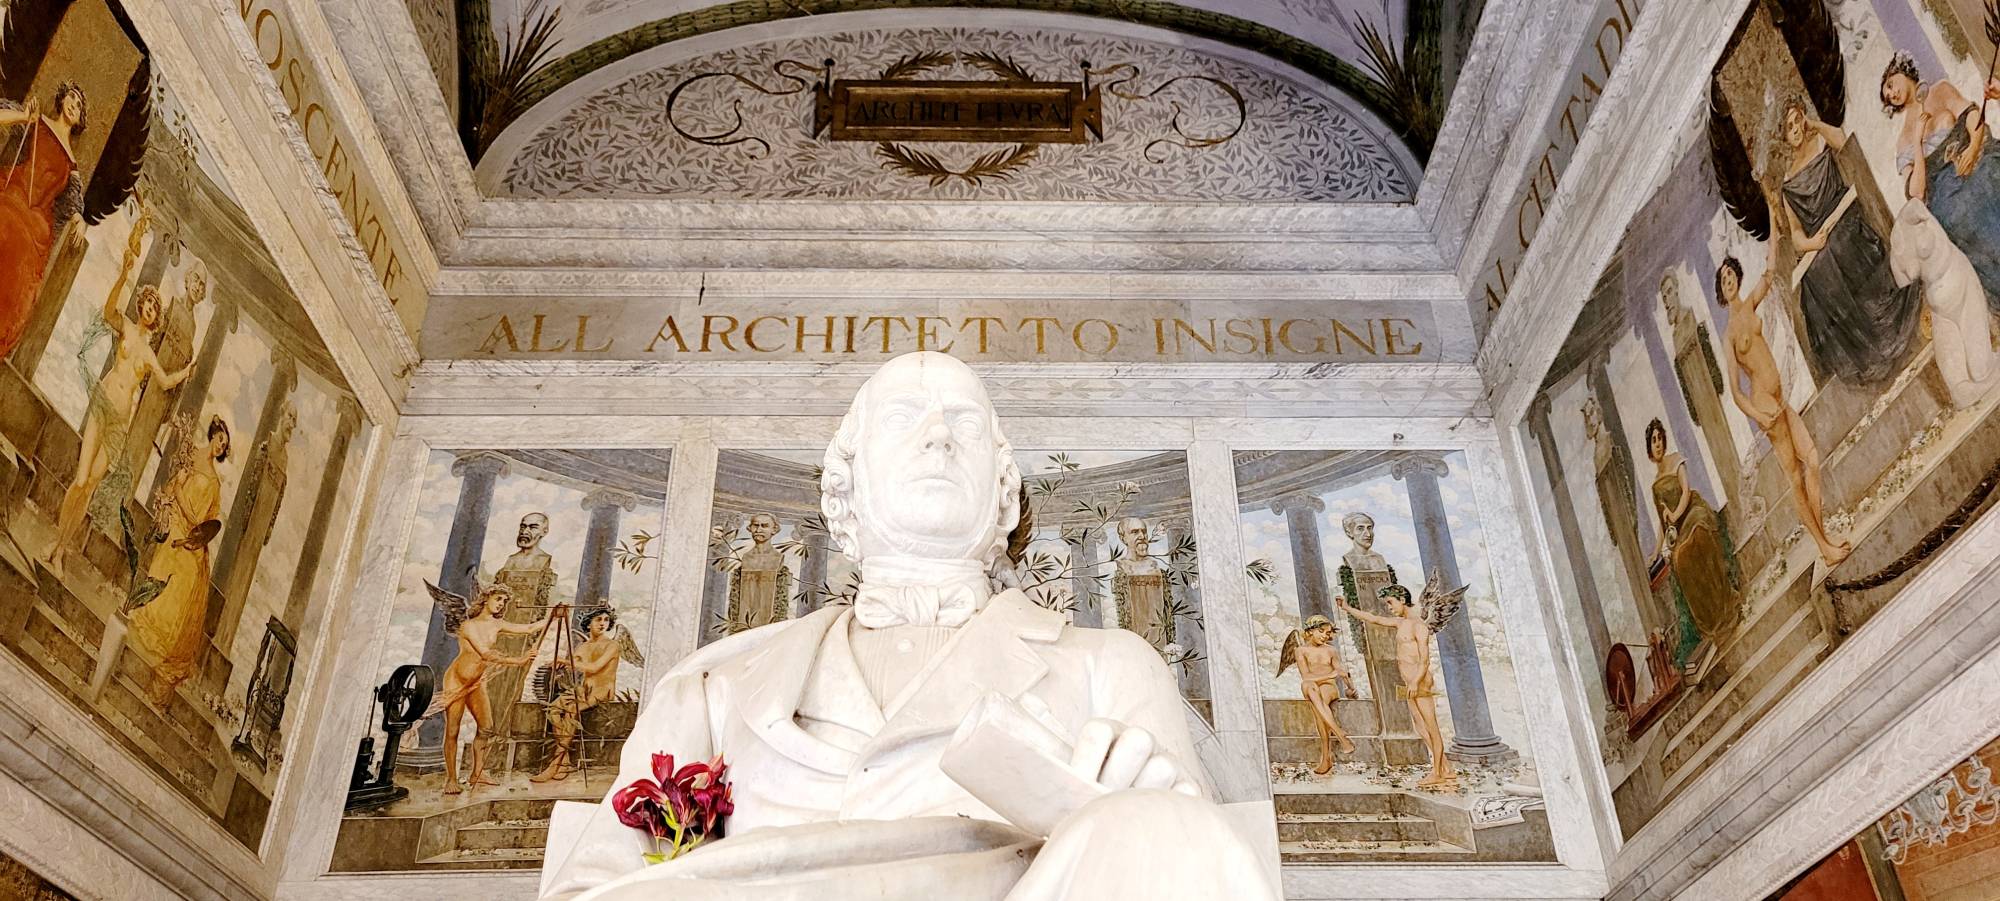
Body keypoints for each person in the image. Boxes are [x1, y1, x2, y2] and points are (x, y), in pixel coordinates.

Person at [542, 352, 1277, 901]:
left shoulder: (1108, 664)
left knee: (1163, 828)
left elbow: (1193, 867)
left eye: (964, 422)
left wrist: (1129, 816)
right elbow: (591, 890)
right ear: (845, 485)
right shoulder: (718, 685)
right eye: (903, 419)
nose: (937, 438)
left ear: (1004, 488)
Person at [43, 212, 195, 576]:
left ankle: (61, 550)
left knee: (91, 488)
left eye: (154, 308)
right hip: (102, 406)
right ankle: (55, 540)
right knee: (80, 480)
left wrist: (187, 371)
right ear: (141, 306)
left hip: (119, 425)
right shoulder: (125, 327)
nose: (149, 310)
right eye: (147, 304)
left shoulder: (150, 355)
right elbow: (109, 309)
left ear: (156, 317)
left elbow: (165, 382)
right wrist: (124, 274)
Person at [1770, 100, 1920, 386]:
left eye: (1798, 120)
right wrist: (1812, 243)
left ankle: (1884, 334)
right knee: (1816, 274)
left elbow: (1842, 141)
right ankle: (1864, 354)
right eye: (1789, 127)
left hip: (1846, 218)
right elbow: (1796, 236)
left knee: (1840, 247)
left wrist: (1815, 125)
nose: (1796, 129)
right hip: (1820, 241)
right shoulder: (1788, 183)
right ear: (1784, 136)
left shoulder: (1820, 144)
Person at [1719, 250, 1851, 566]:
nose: (1728, 281)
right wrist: (1758, 415)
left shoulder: (1750, 305)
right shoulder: (1729, 336)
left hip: (1781, 398)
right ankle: (1824, 547)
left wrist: (1771, 224)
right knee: (1795, 478)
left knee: (1813, 459)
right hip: (1766, 405)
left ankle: (1825, 541)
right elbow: (1736, 392)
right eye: (1722, 280)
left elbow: (1769, 271)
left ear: (1737, 276)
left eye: (1730, 274)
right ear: (1721, 292)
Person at [1881, 52, 2000, 309]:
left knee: (1991, 177)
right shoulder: (1903, 140)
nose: (1892, 94)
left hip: (1976, 159)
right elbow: (1916, 193)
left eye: (1890, 85)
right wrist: (1917, 142)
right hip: (1946, 193)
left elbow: (1973, 116)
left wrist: (1973, 148)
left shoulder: (1941, 90)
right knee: (1956, 215)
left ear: (1899, 71)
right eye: (1888, 97)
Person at [423, 582, 566, 795]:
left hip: (477, 682)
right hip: (456, 680)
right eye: (498, 599)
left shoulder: (497, 624)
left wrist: (553, 616)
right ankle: (451, 779)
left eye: (504, 601)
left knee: (486, 727)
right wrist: (519, 660)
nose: (501, 604)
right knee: (452, 730)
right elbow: (485, 653)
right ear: (486, 599)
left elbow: (528, 629)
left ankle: (477, 773)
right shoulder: (468, 626)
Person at [125, 415, 228, 706]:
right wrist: (188, 516)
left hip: (192, 538)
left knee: (192, 579)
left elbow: (209, 521)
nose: (221, 446)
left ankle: (167, 647)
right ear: (213, 435)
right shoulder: (191, 456)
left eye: (224, 446)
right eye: (220, 439)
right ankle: (149, 633)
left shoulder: (216, 484)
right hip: (177, 528)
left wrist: (199, 533)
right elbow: (177, 489)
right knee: (174, 575)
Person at [1642, 419, 1740, 672]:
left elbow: (1685, 492)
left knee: (1698, 534)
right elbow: (1662, 521)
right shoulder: (1655, 486)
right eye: (1653, 441)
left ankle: (1726, 602)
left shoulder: (1676, 460)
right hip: (1678, 527)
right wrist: (1656, 551)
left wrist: (1676, 515)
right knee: (1679, 559)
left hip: (1693, 511)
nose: (1658, 444)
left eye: (1660, 438)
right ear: (1649, 448)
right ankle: (1711, 619)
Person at [0, 82, 87, 361]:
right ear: (62, 100)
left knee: (23, 258)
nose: (73, 105)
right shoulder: (38, 122)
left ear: (79, 119)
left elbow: (74, 205)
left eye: (79, 106)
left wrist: (80, 219)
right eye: (71, 98)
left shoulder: (72, 165)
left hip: (37, 219)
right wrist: (24, 116)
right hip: (15, 191)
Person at [1338, 585, 1456, 789]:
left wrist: (1415, 681)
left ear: (1402, 599)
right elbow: (1374, 619)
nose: (1389, 608)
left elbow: (1425, 660)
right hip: (1409, 682)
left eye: (1391, 603)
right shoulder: (1401, 623)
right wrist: (1347, 608)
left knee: (1431, 727)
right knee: (1420, 726)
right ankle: (1445, 768)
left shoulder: (1419, 626)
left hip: (1419, 681)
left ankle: (1437, 773)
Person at [532, 608, 637, 783]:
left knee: (572, 710)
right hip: (584, 689)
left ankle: (555, 764)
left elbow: (594, 668)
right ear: (588, 624)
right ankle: (565, 761)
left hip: (602, 690)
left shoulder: (612, 645)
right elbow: (574, 666)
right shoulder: (583, 646)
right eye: (598, 620)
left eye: (606, 620)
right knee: (553, 709)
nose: (603, 623)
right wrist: (559, 668)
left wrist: (567, 662)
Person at [1277, 615, 1357, 774]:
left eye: (1327, 633)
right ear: (1310, 631)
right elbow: (1306, 676)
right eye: (1321, 631)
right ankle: (1340, 735)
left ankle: (1327, 757)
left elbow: (1341, 671)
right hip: (1312, 686)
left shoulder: (1331, 650)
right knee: (1308, 686)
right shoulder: (1300, 651)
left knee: (1318, 701)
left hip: (1328, 687)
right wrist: (1331, 674)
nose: (1324, 636)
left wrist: (1351, 688)